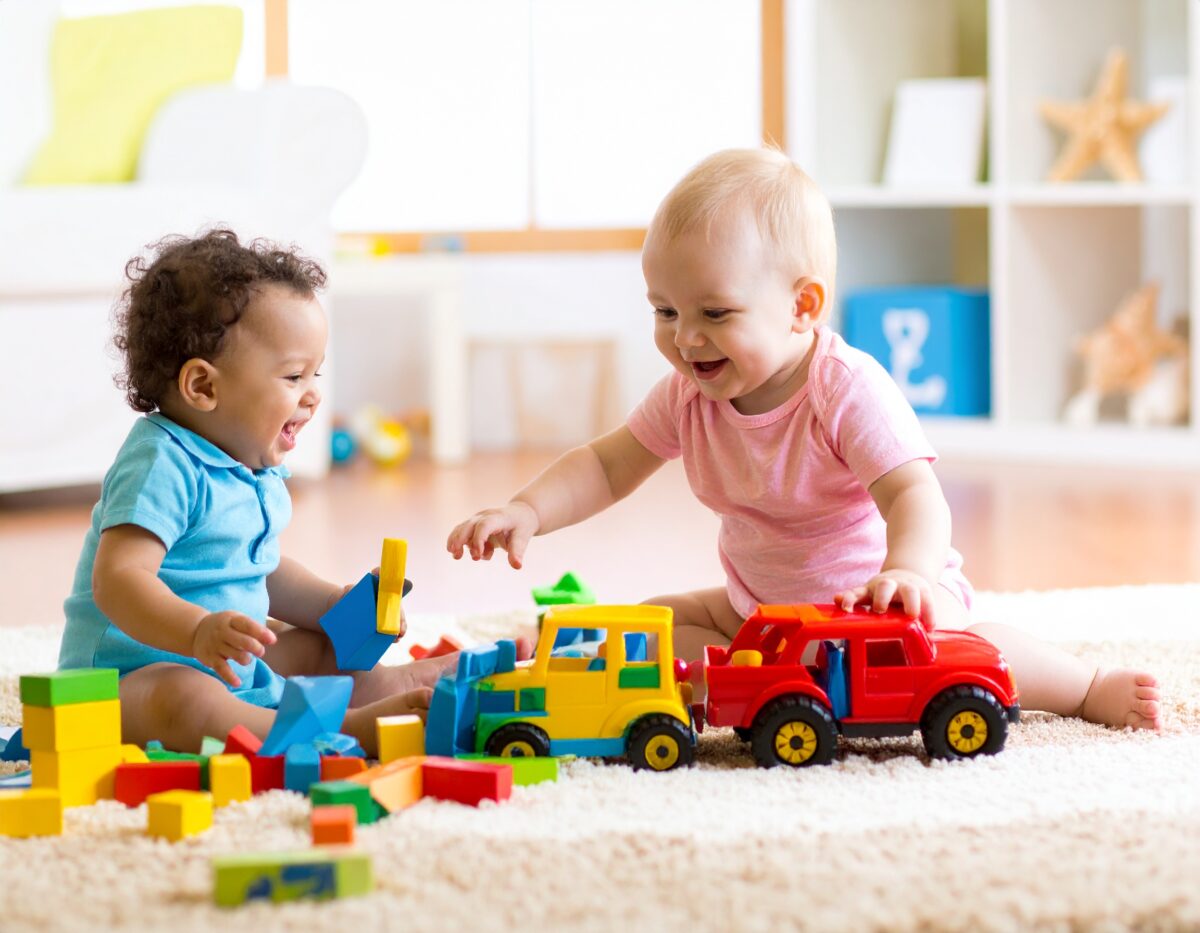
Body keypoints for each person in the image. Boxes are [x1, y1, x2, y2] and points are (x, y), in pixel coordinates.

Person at [447, 148, 1160, 732]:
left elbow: (915, 492)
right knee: (654, 628)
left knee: (974, 651)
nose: (684, 337)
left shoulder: (843, 389)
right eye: (663, 310)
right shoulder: (689, 393)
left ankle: (1085, 685)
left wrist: (908, 573)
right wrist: (528, 510)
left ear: (802, 307)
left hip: (876, 613)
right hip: (756, 611)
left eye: (714, 312)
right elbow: (606, 465)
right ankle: (644, 685)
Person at [60, 230, 482, 756]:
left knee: (313, 647)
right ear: (204, 387)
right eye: (293, 375)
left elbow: (262, 569)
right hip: (125, 683)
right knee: (185, 696)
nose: (313, 393)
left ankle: (396, 688)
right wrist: (195, 632)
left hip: (222, 660)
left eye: (315, 373)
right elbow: (119, 579)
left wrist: (338, 606)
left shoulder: (250, 467)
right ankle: (350, 730)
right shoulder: (160, 460)